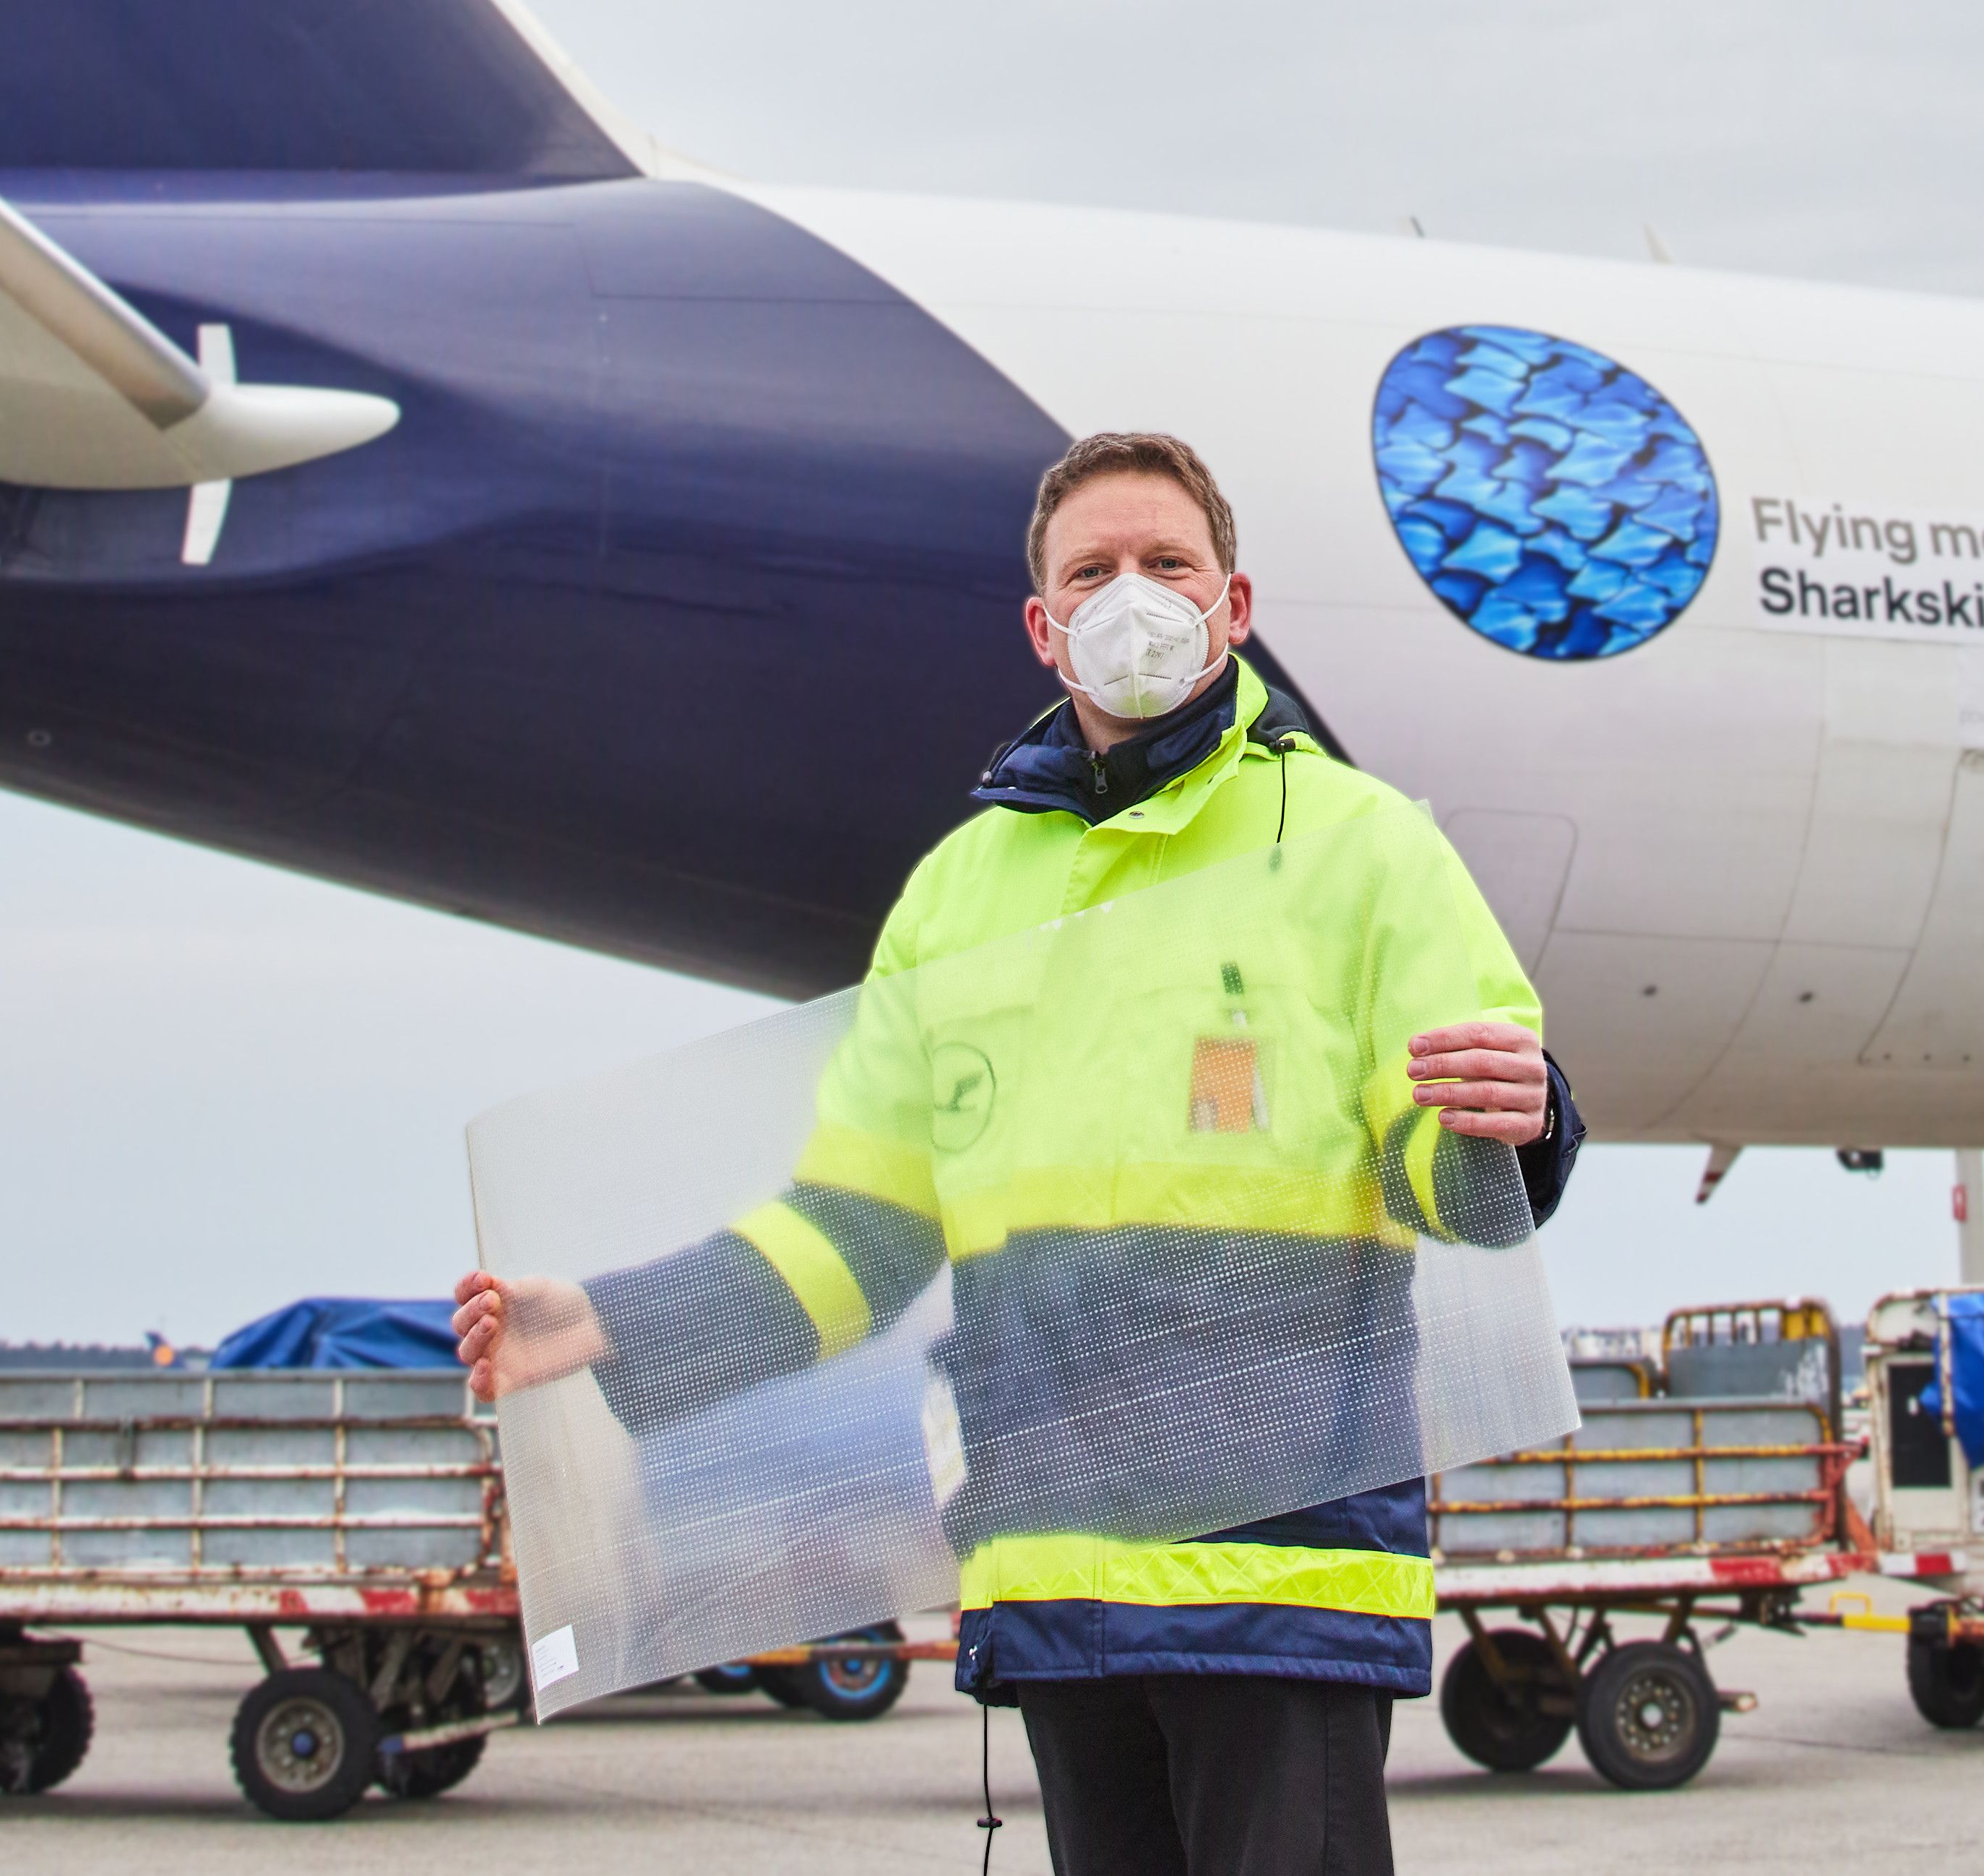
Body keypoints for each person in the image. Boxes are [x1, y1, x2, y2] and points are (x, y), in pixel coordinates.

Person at [459, 430, 1579, 1875]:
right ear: (1045, 627)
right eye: (1093, 571)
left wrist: (1516, 1118)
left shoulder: (1366, 847)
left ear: (1234, 605)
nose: (1134, 595)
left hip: (1283, 1565)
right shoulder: (955, 896)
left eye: (1169, 563)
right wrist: (614, 1314)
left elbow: (1457, 1177)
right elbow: (855, 1232)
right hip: (1053, 1573)